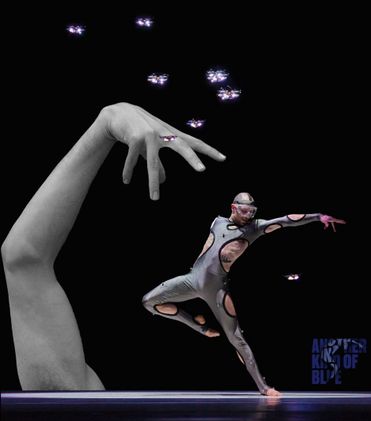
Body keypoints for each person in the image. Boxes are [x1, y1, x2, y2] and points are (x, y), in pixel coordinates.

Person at [1, 102, 226, 390]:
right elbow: (24, 260)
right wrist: (105, 124)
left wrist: (103, 130)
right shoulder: (82, 408)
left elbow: (24, 261)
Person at [142, 192, 346, 397]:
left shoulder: (254, 228)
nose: (249, 215)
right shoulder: (217, 221)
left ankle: (264, 387)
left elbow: (285, 220)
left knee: (237, 338)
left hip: (217, 289)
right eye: (245, 210)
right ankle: (201, 328)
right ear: (233, 207)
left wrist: (317, 216)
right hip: (191, 280)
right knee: (149, 301)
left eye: (252, 211)